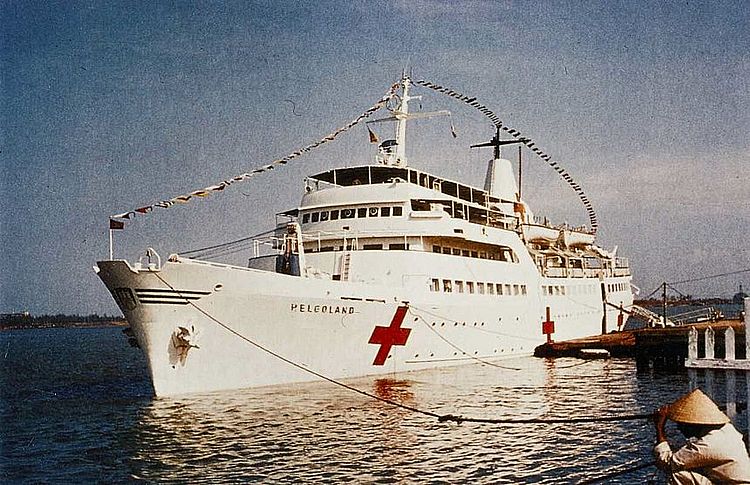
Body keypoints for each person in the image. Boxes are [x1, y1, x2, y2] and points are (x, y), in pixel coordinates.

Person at [653, 388, 750, 484]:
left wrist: (659, 428)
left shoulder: (707, 444)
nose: (679, 428)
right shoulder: (727, 429)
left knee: (677, 474)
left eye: (681, 424)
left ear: (692, 424)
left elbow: (668, 463)